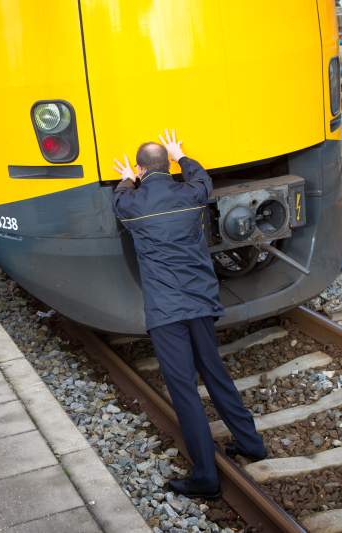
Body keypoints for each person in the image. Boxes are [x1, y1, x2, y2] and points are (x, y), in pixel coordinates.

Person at [112, 130, 267, 499]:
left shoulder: (131, 205)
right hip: (199, 301)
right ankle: (251, 443)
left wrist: (125, 180)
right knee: (215, 373)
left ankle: (205, 477)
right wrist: (183, 156)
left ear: (139, 168)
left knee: (184, 390)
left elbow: (120, 200)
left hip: (166, 311)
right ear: (166, 165)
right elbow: (203, 180)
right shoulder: (191, 195)